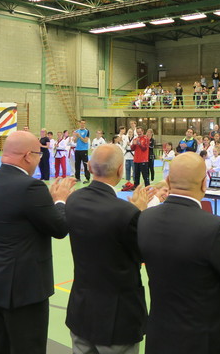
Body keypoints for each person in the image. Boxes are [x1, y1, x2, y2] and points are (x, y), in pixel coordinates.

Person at [0, 131, 75, 354]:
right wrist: (60, 200)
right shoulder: (30, 187)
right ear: (28, 156)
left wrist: (44, 201)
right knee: (28, 347)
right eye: (38, 154)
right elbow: (59, 228)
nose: (39, 159)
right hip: (22, 289)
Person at [137, 152, 220, 354]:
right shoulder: (215, 228)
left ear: (169, 181)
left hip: (160, 335)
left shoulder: (145, 218)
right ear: (204, 183)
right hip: (204, 340)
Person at [66, 144, 151, 354]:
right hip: (117, 317)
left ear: (89, 167)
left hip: (81, 309)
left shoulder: (73, 200)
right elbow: (142, 254)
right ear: (121, 170)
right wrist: (141, 215)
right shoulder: (126, 213)